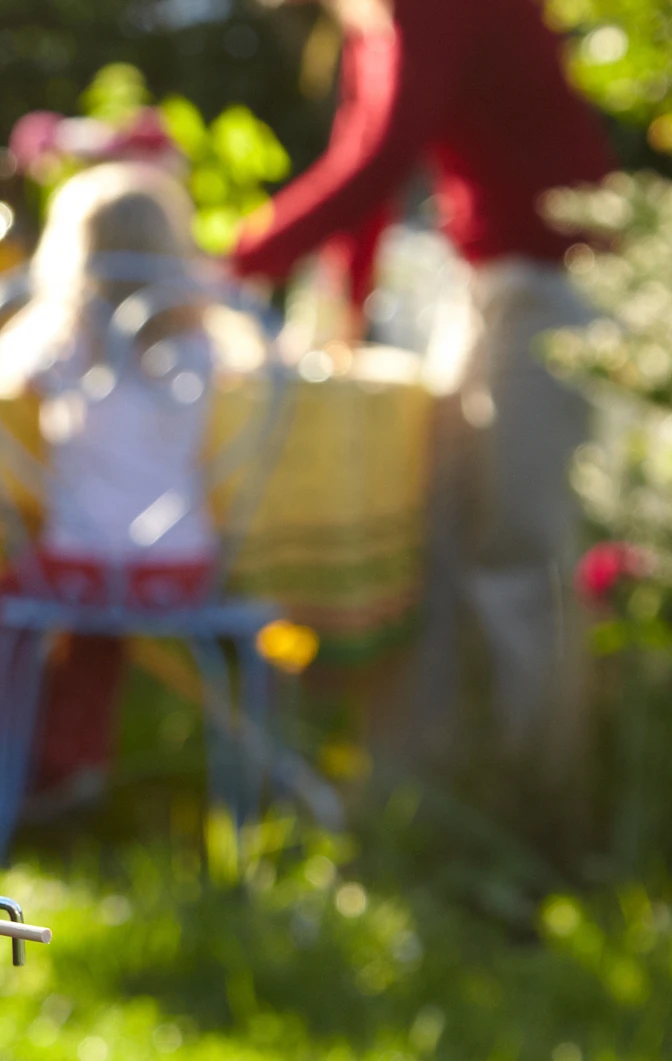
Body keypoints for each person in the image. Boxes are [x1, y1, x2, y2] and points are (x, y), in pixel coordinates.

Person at [228, 0, 618, 808]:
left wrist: (237, 258)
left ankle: (539, 808)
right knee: (425, 533)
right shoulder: (377, 20)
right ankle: (411, 794)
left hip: (550, 286)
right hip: (480, 285)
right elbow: (367, 169)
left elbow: (381, 155)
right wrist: (344, 312)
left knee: (519, 552)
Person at [0, 164, 222, 810]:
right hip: (180, 564)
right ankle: (73, 753)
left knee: (5, 597)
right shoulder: (200, 340)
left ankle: (6, 749)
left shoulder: (61, 339)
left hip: (81, 560)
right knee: (98, 624)